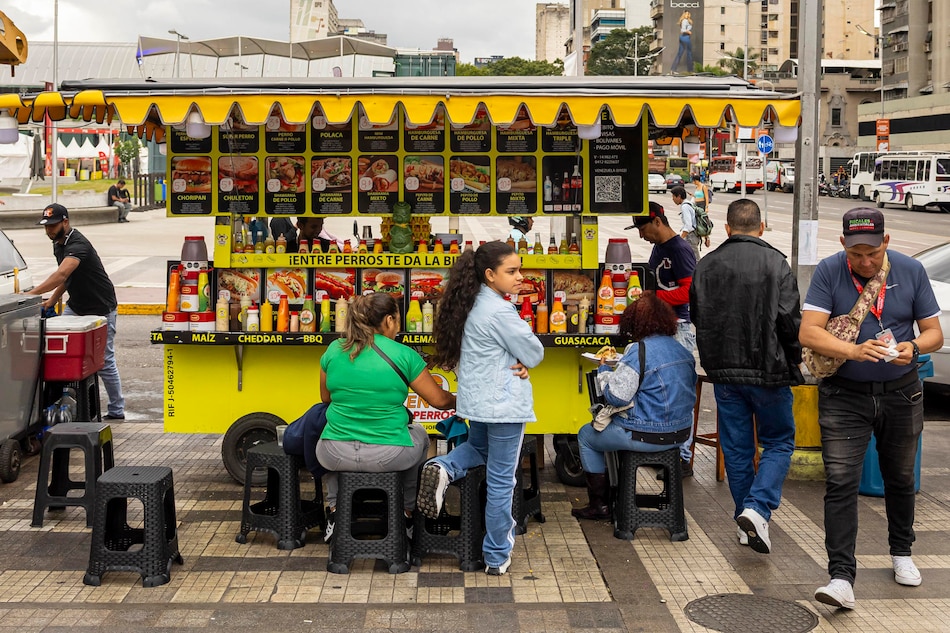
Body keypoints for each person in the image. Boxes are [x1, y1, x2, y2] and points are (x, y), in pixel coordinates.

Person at [800, 208, 943, 610]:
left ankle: (902, 552)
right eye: (856, 253)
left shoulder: (911, 271)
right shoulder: (830, 271)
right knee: (841, 482)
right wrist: (854, 350)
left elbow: (934, 333)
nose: (864, 262)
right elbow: (808, 331)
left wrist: (912, 347)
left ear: (887, 242)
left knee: (899, 477)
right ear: (843, 245)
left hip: (902, 392)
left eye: (872, 253)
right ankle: (841, 576)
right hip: (844, 394)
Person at [417, 241, 544, 576]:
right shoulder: (500, 311)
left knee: (477, 448)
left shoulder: (469, 304)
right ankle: (496, 555)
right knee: (502, 480)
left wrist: (515, 357)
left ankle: (444, 467)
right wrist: (522, 358)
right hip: (503, 405)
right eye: (512, 271)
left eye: (519, 270)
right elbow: (534, 353)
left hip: (477, 401)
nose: (519, 277)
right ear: (490, 275)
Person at [690, 198, 802, 553]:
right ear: (761, 227)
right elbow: (789, 321)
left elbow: (698, 317)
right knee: (779, 441)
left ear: (726, 228)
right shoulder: (775, 263)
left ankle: (746, 520)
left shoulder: (705, 266)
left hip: (724, 371)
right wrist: (795, 361)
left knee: (737, 449)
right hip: (769, 370)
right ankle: (757, 509)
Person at [316, 293, 456, 542]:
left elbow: (326, 398)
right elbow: (439, 400)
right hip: (388, 455)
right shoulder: (404, 355)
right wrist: (465, 399)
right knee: (421, 435)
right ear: (390, 320)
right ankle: (406, 513)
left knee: (333, 429)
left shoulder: (334, 350)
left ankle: (336, 513)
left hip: (334, 453)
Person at [572, 294, 696, 520]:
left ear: (634, 322)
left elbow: (616, 398)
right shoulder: (683, 352)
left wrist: (604, 372)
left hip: (645, 433)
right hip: (680, 434)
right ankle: (621, 497)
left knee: (586, 435)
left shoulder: (639, 351)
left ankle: (600, 505)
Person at [26, 203, 125, 419]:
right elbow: (68, 277)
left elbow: (61, 275)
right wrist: (51, 300)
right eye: (46, 226)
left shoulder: (78, 244)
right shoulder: (58, 244)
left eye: (53, 225)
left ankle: (117, 410)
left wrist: (30, 295)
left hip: (101, 307)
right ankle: (62, 405)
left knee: (104, 360)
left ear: (65, 222)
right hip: (76, 306)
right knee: (61, 351)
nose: (49, 230)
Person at [626, 201, 697, 474]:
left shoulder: (680, 249)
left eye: (643, 228)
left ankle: (683, 456)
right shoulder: (658, 249)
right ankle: (666, 450)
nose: (641, 234)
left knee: (678, 394)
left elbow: (688, 290)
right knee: (660, 391)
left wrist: (654, 296)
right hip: (662, 326)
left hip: (679, 327)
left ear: (657, 221)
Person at [671, 185, 702, 260]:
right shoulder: (689, 203)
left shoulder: (685, 207)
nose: (672, 199)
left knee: (695, 259)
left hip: (691, 237)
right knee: (689, 258)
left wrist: (680, 239)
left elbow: (688, 226)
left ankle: (700, 271)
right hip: (694, 235)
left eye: (673, 197)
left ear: (678, 196)